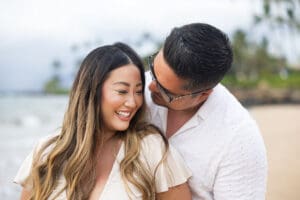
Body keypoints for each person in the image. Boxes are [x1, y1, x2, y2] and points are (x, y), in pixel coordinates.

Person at [14, 42, 192, 200]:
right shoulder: (47, 153)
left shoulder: (152, 150)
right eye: (122, 91)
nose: (132, 102)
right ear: (92, 92)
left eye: (138, 91)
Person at [145, 23, 267, 200]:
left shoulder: (240, 140)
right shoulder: (134, 89)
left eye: (165, 91)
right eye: (153, 70)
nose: (150, 86)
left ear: (202, 95)